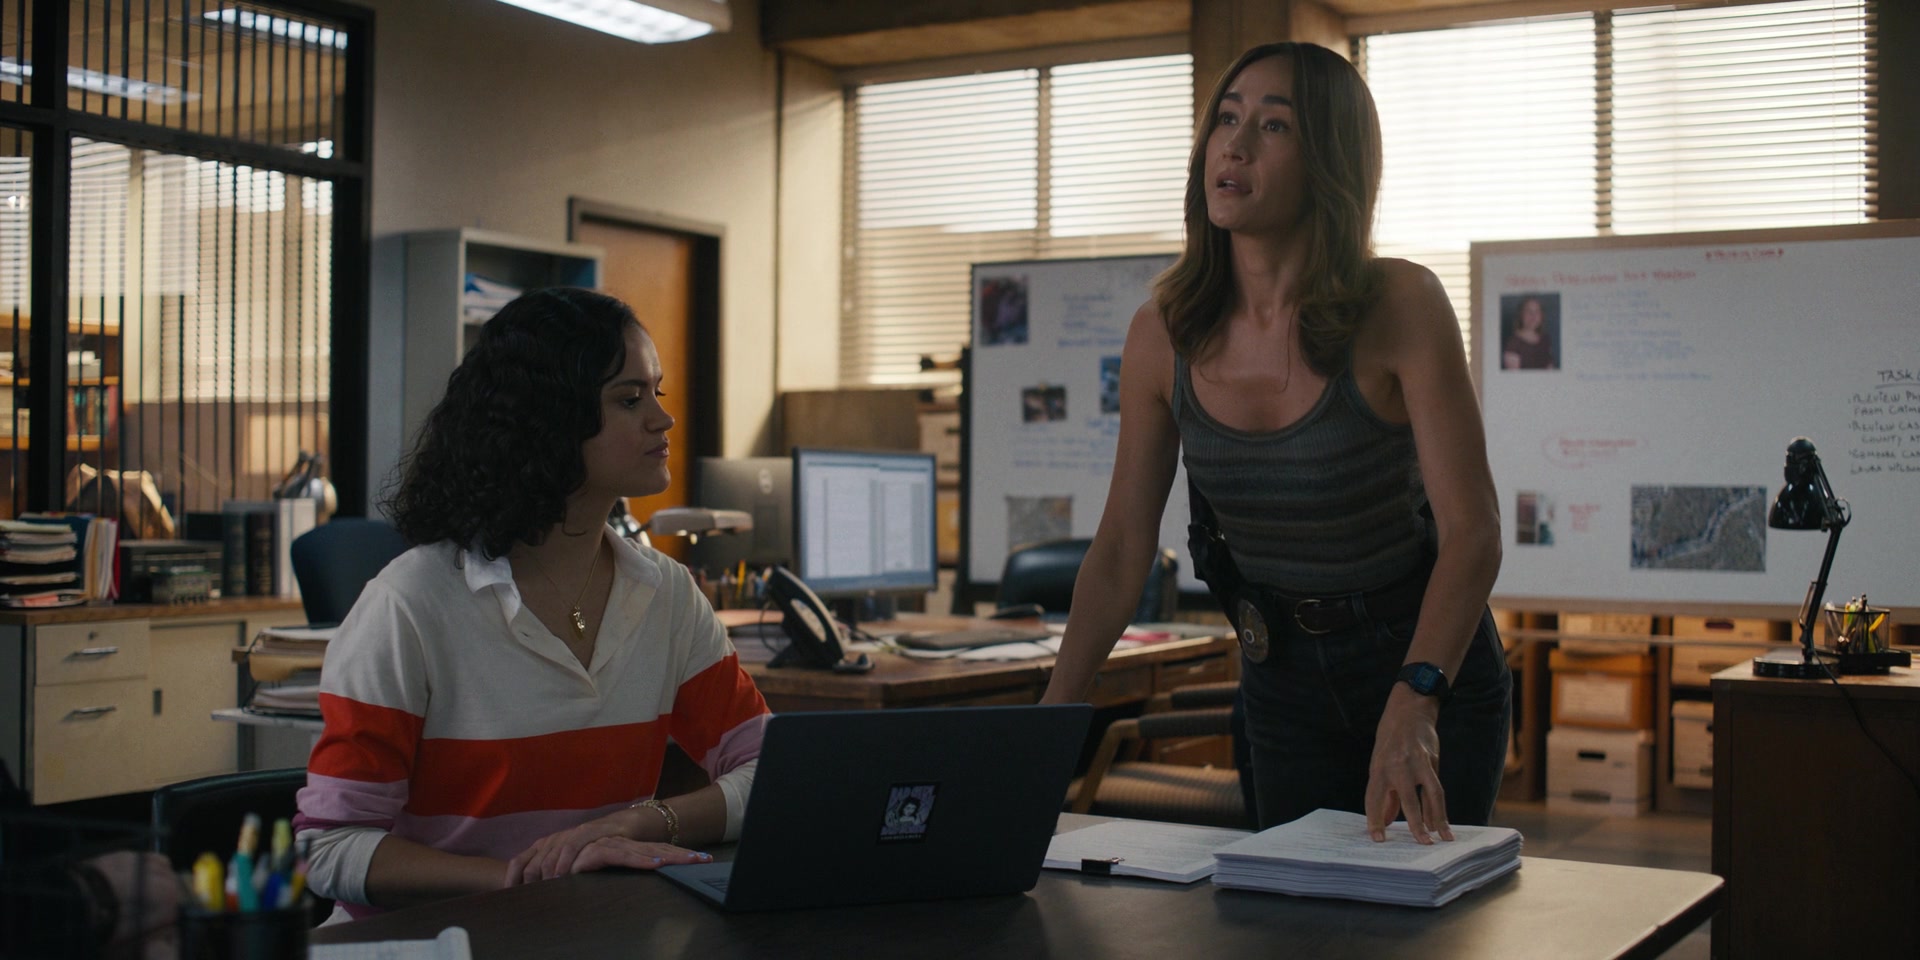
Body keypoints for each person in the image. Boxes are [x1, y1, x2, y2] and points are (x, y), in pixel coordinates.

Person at [1040, 42, 1511, 844]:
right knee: (1288, 906)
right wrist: (1050, 725)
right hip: (1279, 674)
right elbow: (1121, 549)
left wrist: (1417, 695)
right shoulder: (1162, 333)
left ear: (1329, 159)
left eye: (1274, 125)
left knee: (1421, 907)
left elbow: (1474, 534)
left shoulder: (1401, 303)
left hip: (1422, 663)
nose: (1235, 144)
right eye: (1227, 119)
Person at [295, 288, 770, 918]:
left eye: (657, 393)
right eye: (629, 399)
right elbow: (328, 849)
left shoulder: (668, 594)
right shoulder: (407, 605)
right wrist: (524, 880)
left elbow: (773, 772)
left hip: (585, 930)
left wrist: (640, 822)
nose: (664, 420)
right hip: (438, 941)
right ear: (547, 420)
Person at [1501, 295, 1556, 369]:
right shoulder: (1513, 343)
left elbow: (1550, 368)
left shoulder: (1546, 338)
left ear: (1541, 316)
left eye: (1537, 311)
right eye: (1528, 311)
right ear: (1521, 315)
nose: (1533, 316)